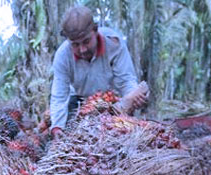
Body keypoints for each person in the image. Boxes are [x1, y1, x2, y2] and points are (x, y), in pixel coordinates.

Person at [49, 6, 147, 137]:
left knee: (120, 137)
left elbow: (126, 80)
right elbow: (59, 95)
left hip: (111, 102)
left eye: (86, 41)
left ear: (95, 31)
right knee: (74, 138)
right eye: (75, 45)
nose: (82, 49)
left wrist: (134, 98)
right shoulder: (62, 56)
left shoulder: (114, 44)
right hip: (79, 103)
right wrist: (57, 127)